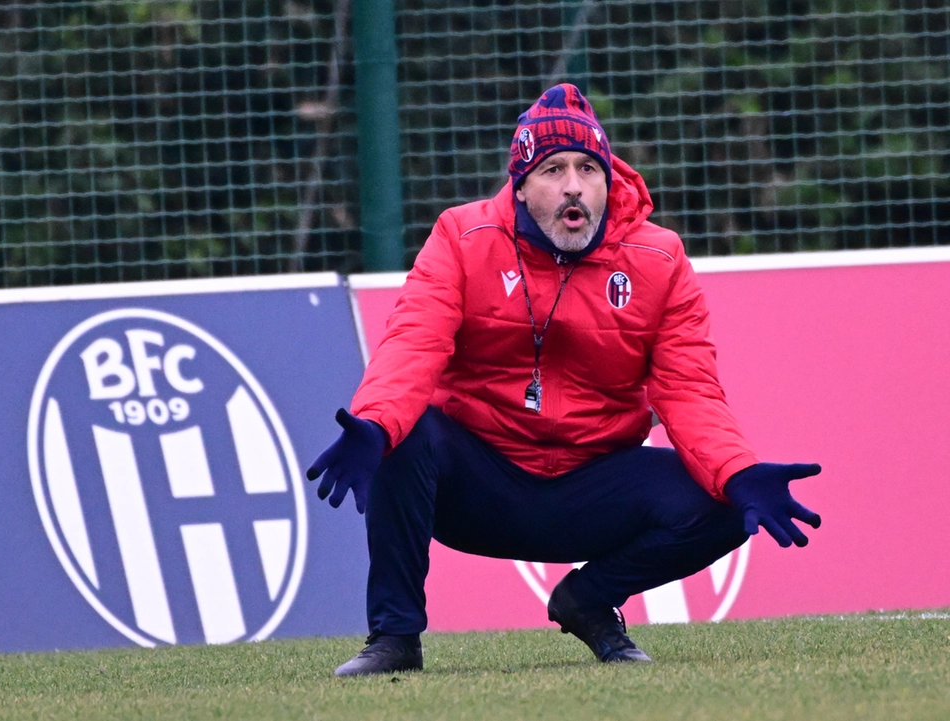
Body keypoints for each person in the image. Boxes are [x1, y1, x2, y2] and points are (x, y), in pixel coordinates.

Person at [307, 84, 823, 676]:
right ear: (521, 185)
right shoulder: (461, 236)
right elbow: (412, 345)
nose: (573, 185)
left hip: (592, 486)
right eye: (553, 169)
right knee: (404, 432)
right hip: (480, 485)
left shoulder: (659, 260)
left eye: (588, 168)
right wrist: (375, 424)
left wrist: (737, 471)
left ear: (608, 180)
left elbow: (690, 390)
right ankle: (394, 639)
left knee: (731, 500)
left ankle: (589, 599)